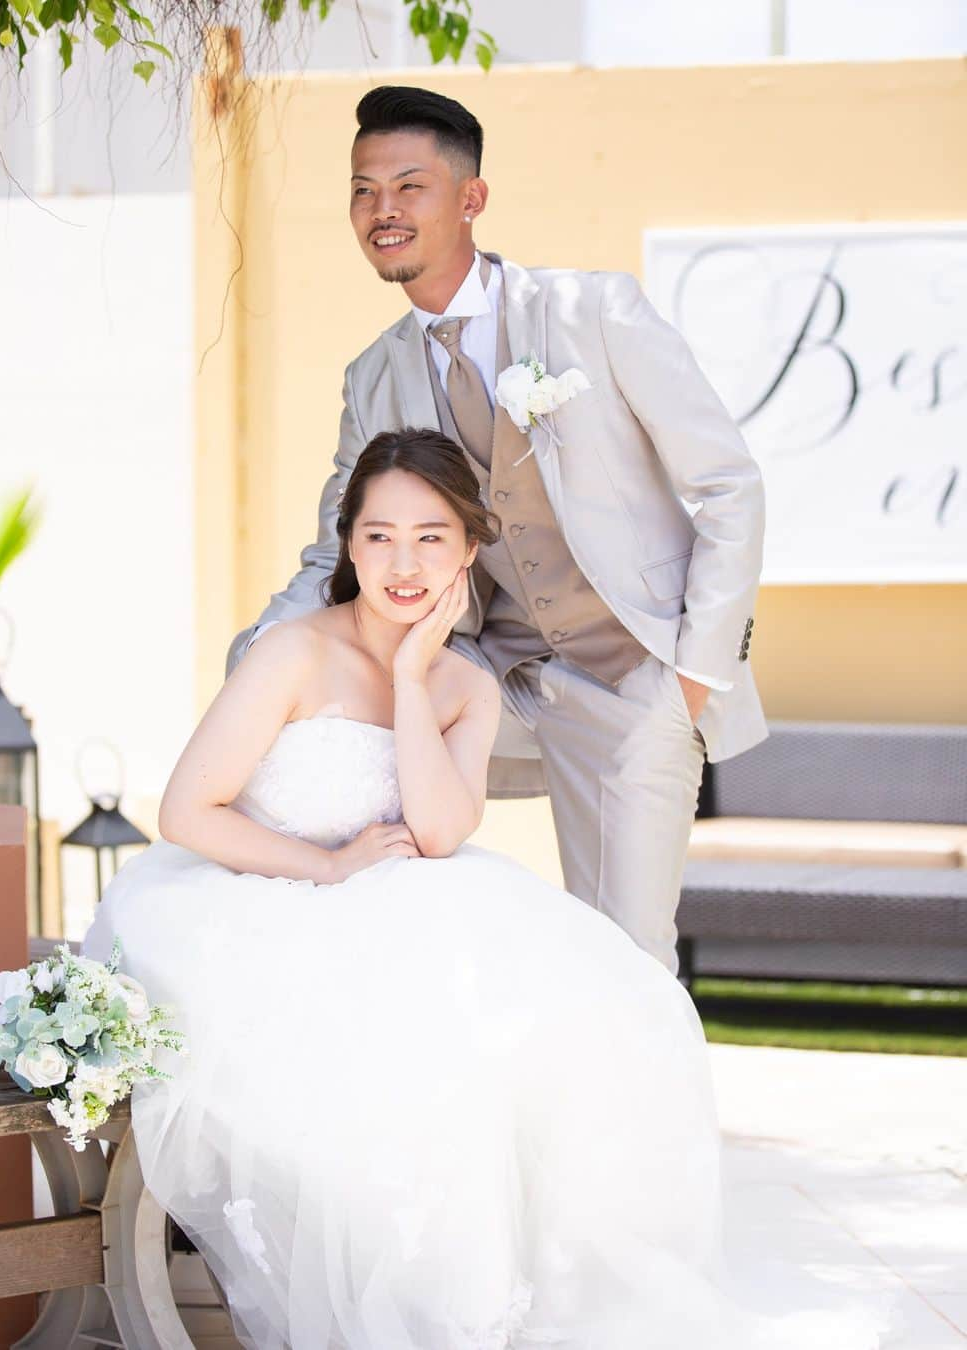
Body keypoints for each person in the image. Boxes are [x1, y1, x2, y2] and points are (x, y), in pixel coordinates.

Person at [82, 430, 889, 1350]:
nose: (404, 562)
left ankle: (519, 1299)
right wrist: (331, 868)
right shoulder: (291, 655)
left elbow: (436, 833)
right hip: (250, 895)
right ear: (348, 546)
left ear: (470, 550)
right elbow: (187, 810)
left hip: (396, 895)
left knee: (604, 1015)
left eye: (432, 537)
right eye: (379, 536)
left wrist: (411, 675)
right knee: (395, 1061)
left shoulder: (463, 686)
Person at [225, 84, 769, 977]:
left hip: (634, 680)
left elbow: (729, 487)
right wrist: (266, 649)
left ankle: (637, 1117)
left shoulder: (594, 314)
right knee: (362, 824)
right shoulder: (375, 377)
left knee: (625, 961)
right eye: (363, 190)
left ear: (471, 199)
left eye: (409, 186)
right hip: (488, 674)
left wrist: (691, 678)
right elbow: (338, 544)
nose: (382, 211)